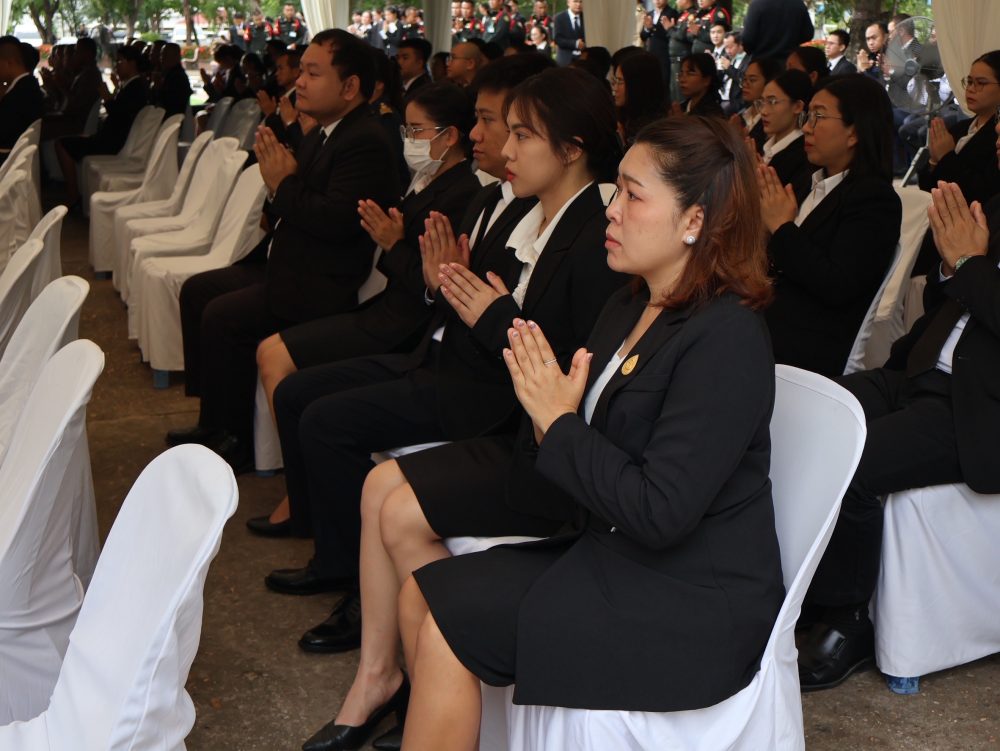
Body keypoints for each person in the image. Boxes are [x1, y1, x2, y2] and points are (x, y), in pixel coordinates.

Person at [398, 115, 783, 750]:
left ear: (695, 220)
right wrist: (548, 413)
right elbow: (578, 440)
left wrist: (558, 422)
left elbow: (660, 512)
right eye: (616, 190)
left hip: (691, 600)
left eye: (633, 195)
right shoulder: (630, 303)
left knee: (447, 624)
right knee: (421, 595)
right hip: (615, 551)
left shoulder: (727, 337)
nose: (612, 210)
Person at [293, 65, 626, 751]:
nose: (505, 148)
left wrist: (493, 315)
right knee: (378, 487)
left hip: (554, 454)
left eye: (524, 135)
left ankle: (432, 679)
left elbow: (576, 370)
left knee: (398, 509)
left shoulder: (595, 230)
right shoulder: (539, 215)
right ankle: (382, 674)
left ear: (572, 148)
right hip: (516, 425)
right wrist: (463, 296)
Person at [250, 54, 555, 539]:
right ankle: (312, 516)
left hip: (442, 356)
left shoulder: (489, 197)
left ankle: (330, 545)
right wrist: (435, 279)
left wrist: (408, 258)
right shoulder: (484, 196)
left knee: (322, 414)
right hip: (421, 337)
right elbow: (445, 285)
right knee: (294, 389)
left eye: (494, 123)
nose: (476, 134)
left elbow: (494, 313)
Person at [797, 126, 1000, 688]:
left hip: (978, 407)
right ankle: (793, 586)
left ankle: (848, 617)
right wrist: (952, 267)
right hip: (919, 371)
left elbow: (977, 280)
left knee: (854, 467)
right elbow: (948, 296)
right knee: (810, 417)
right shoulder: (996, 205)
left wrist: (969, 265)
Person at [166, 30, 401, 471]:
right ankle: (214, 418)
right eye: (302, 72)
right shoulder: (326, 132)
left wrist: (282, 185)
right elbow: (290, 200)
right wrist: (280, 191)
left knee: (223, 315)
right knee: (198, 291)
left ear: (350, 87)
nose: (299, 83)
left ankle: (235, 440)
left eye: (313, 73)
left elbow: (335, 222)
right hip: (290, 261)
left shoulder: (364, 141)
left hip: (321, 283)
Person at [757, 73, 902, 378]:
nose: (806, 127)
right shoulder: (810, 182)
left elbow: (837, 285)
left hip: (805, 341)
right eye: (808, 116)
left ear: (854, 132)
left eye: (819, 117)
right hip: (770, 316)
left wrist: (782, 228)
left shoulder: (874, 199)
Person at [54, 44, 148, 206]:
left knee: (61, 144)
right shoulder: (132, 85)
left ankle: (73, 194)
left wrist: (108, 98)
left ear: (132, 63)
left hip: (114, 142)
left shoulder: (136, 87)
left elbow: (121, 115)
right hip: (111, 138)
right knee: (71, 139)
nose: (116, 65)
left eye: (120, 61)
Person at [759, 69, 813, 203]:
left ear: (797, 106)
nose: (763, 111)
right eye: (762, 102)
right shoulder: (764, 145)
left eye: (772, 102)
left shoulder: (803, 155)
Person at [40, 36, 102, 141]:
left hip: (77, 124)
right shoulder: (85, 73)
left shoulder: (90, 76)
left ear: (87, 53)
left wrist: (59, 85)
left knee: (39, 128)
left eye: (77, 51)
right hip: (73, 120)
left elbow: (75, 106)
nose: (75, 55)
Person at [0, 35, 44, 161]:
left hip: (8, 159)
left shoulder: (21, 93)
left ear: (9, 63)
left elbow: (4, 134)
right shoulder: (27, 85)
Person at [613, 50, 666, 147]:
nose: (615, 88)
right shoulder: (625, 116)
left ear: (637, 85)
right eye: (615, 80)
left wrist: (622, 144)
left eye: (620, 81)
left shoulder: (653, 131)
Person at [741, 0, 813, 62]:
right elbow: (808, 34)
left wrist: (752, 51)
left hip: (761, 64)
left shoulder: (757, 4)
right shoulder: (798, 4)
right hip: (789, 64)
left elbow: (747, 39)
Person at [258, 48, 301, 146]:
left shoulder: (298, 98)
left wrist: (270, 114)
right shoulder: (285, 95)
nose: (276, 73)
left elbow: (286, 138)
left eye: (281, 68)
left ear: (295, 72)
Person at [640, 0, 677, 102]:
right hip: (651, 54)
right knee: (651, 83)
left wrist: (652, 28)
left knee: (664, 84)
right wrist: (647, 29)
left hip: (665, 54)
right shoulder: (650, 14)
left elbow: (671, 35)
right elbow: (643, 36)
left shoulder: (672, 12)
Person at [674, 51, 722, 117]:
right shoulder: (682, 107)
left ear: (706, 80)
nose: (682, 80)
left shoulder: (713, 114)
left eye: (690, 74)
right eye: (681, 73)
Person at [150, 42, 192, 117]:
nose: (162, 58)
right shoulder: (168, 73)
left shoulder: (177, 77)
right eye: (161, 55)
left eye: (165, 55)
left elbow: (169, 102)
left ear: (176, 57)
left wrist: (158, 88)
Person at [718, 29, 748, 114]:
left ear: (740, 45)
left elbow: (743, 79)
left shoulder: (748, 60)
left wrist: (728, 68)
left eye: (730, 47)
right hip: (722, 98)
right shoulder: (727, 57)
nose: (727, 51)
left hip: (737, 103)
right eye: (725, 47)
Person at [553, 0, 584, 67]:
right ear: (568, 3)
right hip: (565, 60)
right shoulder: (559, 18)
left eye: (580, 1)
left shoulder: (586, 17)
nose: (578, 4)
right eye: (575, 1)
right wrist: (575, 43)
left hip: (584, 59)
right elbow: (558, 39)